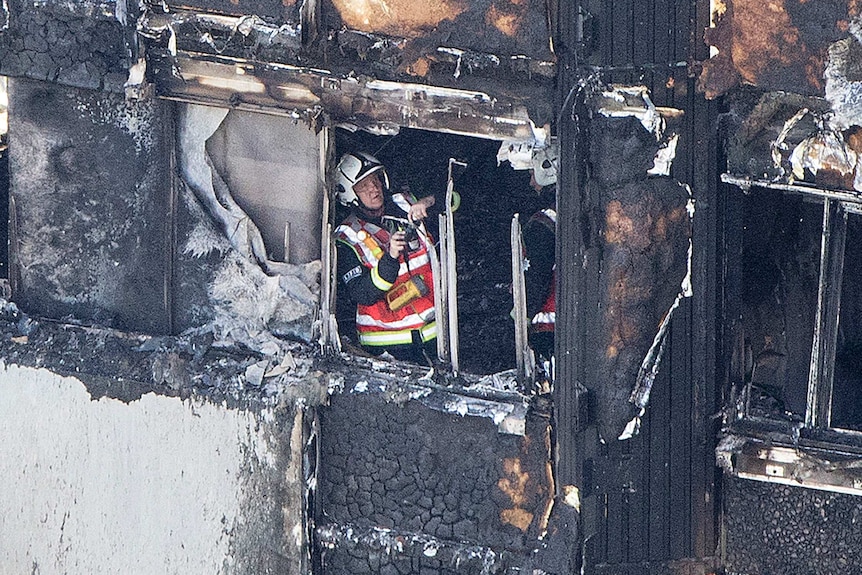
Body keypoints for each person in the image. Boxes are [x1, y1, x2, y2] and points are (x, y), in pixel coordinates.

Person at [333, 151, 438, 364]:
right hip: (388, 345)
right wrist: (390, 258)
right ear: (349, 194)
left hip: (434, 333)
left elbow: (451, 197)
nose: (374, 188)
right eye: (363, 186)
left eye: (375, 180)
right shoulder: (346, 236)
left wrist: (426, 202)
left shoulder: (405, 204)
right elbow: (363, 293)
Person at [522, 145, 557, 370]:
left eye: (532, 175)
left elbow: (538, 275)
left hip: (548, 324)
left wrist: (524, 313)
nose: (531, 183)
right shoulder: (571, 212)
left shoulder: (541, 225)